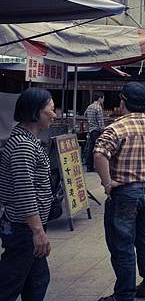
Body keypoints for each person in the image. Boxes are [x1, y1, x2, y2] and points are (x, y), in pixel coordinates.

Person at [94, 82, 145, 301]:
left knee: (122, 244)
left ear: (123, 100)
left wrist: (107, 183)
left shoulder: (116, 128)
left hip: (124, 193)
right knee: (144, 238)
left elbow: (99, 154)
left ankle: (124, 294)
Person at [0, 88, 56, 301]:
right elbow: (24, 191)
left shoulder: (28, 140)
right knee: (10, 283)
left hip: (27, 226)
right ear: (35, 112)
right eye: (50, 109)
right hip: (22, 227)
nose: (54, 114)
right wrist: (37, 231)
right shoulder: (23, 145)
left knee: (38, 279)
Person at [83, 90, 105, 172]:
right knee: (98, 149)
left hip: (91, 130)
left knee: (90, 148)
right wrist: (103, 130)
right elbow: (100, 122)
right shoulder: (98, 108)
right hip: (96, 131)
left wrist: (90, 122)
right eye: (103, 99)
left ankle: (89, 167)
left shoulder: (90, 106)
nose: (103, 100)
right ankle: (98, 167)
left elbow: (85, 115)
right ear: (100, 98)